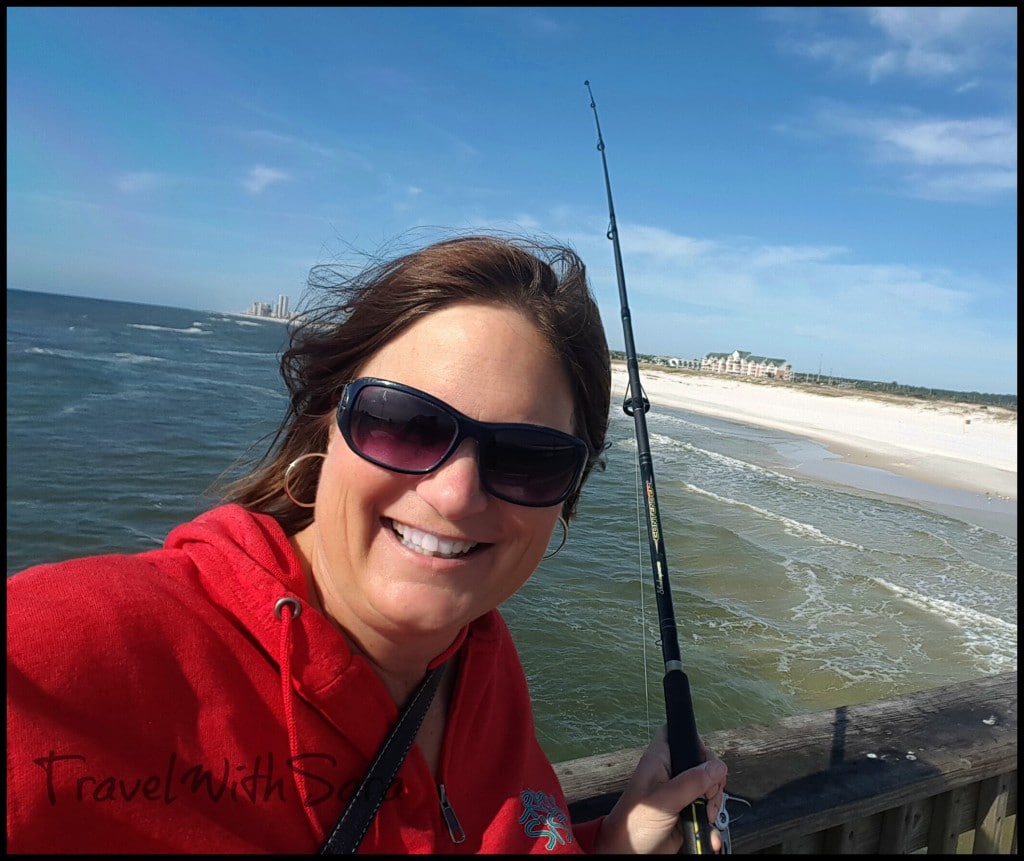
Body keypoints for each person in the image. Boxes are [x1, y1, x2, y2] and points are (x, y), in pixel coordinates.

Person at [6, 233, 728, 854]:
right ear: (327, 423)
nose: (455, 494)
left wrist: (613, 843)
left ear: (564, 496)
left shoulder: (479, 654)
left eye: (528, 458)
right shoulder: (69, 643)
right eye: (404, 422)